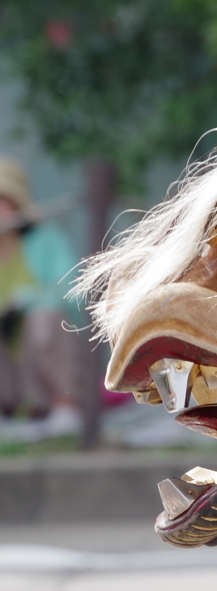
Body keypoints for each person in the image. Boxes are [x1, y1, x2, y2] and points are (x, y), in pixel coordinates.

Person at [0, 157, 83, 439]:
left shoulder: (46, 240)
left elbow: (73, 291)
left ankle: (65, 407)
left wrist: (24, 299)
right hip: (9, 370)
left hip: (42, 352)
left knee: (44, 318)